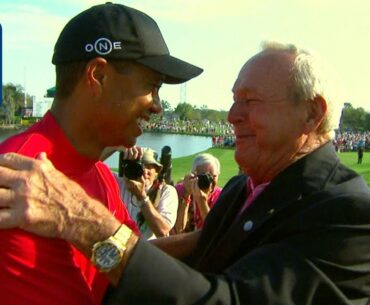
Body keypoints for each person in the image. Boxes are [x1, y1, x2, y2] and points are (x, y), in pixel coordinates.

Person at [1, 41, 370, 304]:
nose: (231, 116)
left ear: (311, 113)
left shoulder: (347, 213)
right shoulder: (246, 187)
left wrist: (83, 222)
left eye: (250, 101)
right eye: (234, 98)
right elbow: (201, 250)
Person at [0, 3, 202, 305]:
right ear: (98, 76)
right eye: (152, 86)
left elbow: (129, 257)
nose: (157, 105)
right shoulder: (18, 181)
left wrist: (215, 235)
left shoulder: (97, 173)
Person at [116, 147, 178, 240]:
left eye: (149, 167)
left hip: (148, 249)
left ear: (157, 172)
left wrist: (141, 196)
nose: (144, 171)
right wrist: (117, 147)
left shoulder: (166, 191)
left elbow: (163, 231)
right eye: (140, 166)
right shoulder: (119, 184)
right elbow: (90, 167)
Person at [174, 153, 222, 233]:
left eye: (213, 176)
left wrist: (201, 200)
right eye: (204, 176)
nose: (209, 181)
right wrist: (186, 194)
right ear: (193, 175)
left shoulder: (221, 195)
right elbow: (179, 229)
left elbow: (214, 230)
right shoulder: (179, 190)